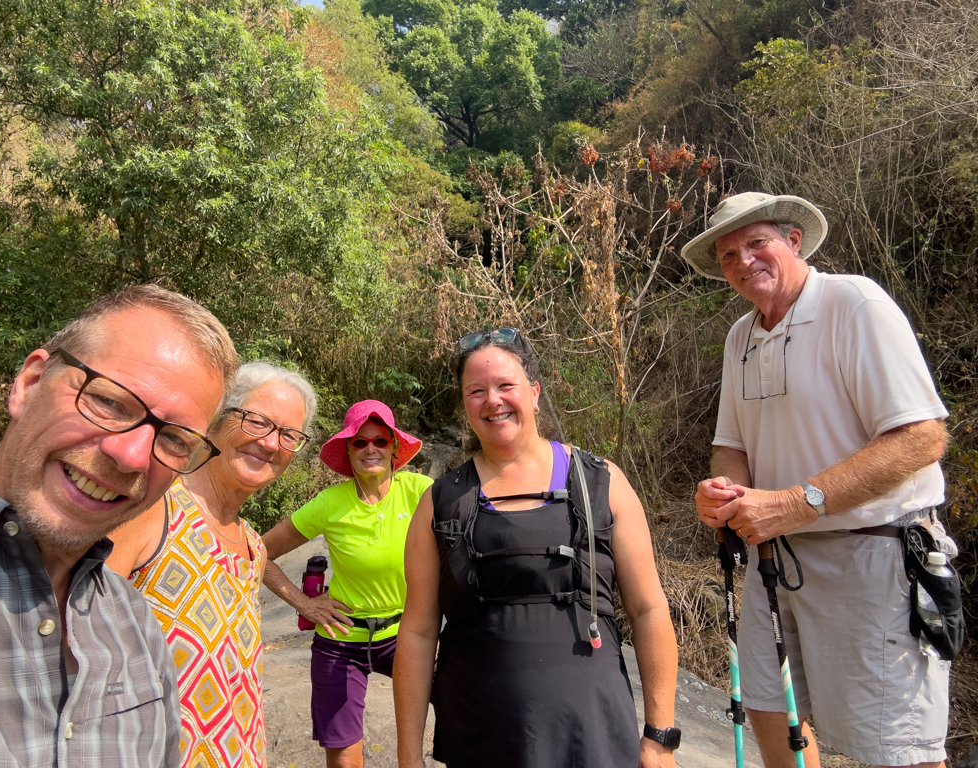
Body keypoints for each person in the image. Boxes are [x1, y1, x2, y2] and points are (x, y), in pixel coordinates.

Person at [686, 192, 954, 768]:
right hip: (772, 557)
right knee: (767, 705)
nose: (743, 261)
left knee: (898, 742)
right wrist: (723, 491)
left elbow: (923, 437)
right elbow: (730, 446)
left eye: (757, 243)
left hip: (875, 555)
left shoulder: (854, 304)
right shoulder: (740, 336)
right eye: (728, 254)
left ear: (793, 241)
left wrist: (799, 502)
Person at [0, 285, 238, 767]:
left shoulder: (135, 624)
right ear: (30, 383)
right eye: (108, 402)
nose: (130, 456)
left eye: (173, 440)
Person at [393, 328, 681, 768]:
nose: (493, 400)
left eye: (506, 385)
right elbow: (416, 633)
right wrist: (408, 757)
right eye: (476, 391)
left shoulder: (602, 483)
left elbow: (648, 609)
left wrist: (660, 737)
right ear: (465, 404)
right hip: (481, 739)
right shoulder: (439, 502)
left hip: (594, 739)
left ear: (534, 392)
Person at [108, 361, 317, 768]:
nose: (272, 444)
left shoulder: (254, 547)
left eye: (289, 435)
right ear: (219, 419)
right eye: (257, 422)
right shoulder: (151, 510)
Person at [261, 400, 432, 768]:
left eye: (380, 441)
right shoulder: (328, 503)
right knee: (343, 759)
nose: (370, 448)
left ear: (393, 448)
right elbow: (260, 552)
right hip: (341, 641)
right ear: (348, 450)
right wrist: (303, 604)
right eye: (359, 442)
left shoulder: (420, 491)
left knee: (456, 718)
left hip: (406, 637)